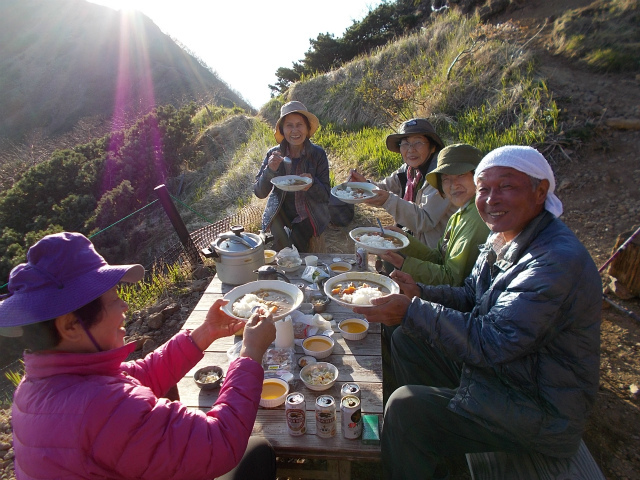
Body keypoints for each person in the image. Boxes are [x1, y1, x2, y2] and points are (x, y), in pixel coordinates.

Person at [353, 146, 602, 480]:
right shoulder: (504, 236)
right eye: (484, 189)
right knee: (408, 340)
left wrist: (412, 309)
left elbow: (492, 342)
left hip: (537, 408)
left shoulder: (553, 261)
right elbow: (471, 295)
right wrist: (420, 292)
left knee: (404, 408)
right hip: (507, 374)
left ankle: (418, 435)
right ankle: (434, 440)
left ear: (540, 191)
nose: (491, 198)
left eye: (507, 187)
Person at [0, 232, 277, 480]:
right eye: (113, 298)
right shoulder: (100, 407)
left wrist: (205, 332)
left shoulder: (36, 385)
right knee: (257, 454)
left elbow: (138, 376)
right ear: (71, 325)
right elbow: (220, 443)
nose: (125, 306)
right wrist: (250, 353)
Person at [379, 143, 490, 286]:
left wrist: (403, 264)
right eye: (446, 178)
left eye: (461, 175)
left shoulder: (477, 217)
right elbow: (438, 257)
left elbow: (453, 280)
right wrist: (404, 239)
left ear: (479, 176)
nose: (453, 185)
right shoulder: (461, 213)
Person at [349, 118, 457, 249]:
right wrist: (364, 185)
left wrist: (388, 200)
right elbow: (385, 187)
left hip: (433, 251)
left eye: (418, 142)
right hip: (410, 236)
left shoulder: (441, 177)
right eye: (405, 143)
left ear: (432, 147)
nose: (411, 150)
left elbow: (424, 220)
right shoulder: (409, 169)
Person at [254, 101, 331, 252]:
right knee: (281, 249)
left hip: (310, 213)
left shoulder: (318, 154)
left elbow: (326, 195)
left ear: (307, 128)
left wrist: (312, 184)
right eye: (289, 125)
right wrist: (270, 169)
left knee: (297, 247)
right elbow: (259, 192)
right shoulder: (274, 154)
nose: (295, 130)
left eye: (299, 124)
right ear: (282, 130)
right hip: (279, 212)